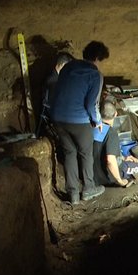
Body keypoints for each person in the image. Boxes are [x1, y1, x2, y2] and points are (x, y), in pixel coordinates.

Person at [49, 41, 109, 205]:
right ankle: (89, 188)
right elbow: (91, 104)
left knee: (69, 153)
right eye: (100, 60)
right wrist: (97, 121)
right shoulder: (95, 75)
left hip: (58, 117)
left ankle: (73, 195)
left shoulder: (68, 67)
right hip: (78, 120)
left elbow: (60, 90)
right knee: (85, 153)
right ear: (97, 58)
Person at [93, 98, 138, 187]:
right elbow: (110, 160)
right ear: (116, 114)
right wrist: (120, 181)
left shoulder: (93, 128)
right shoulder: (111, 133)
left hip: (93, 176)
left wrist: (123, 158)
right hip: (108, 178)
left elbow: (100, 152)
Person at [39, 51, 74, 135]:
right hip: (54, 112)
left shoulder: (57, 76)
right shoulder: (53, 81)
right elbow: (54, 102)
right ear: (61, 65)